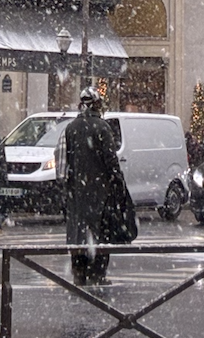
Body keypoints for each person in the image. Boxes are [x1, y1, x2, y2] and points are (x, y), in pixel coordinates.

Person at [65, 87, 134, 285]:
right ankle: (97, 274)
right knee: (101, 234)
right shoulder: (102, 128)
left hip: (78, 192)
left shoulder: (71, 128)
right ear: (96, 104)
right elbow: (111, 161)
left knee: (79, 234)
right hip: (100, 192)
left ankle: (79, 273)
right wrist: (118, 183)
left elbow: (68, 161)